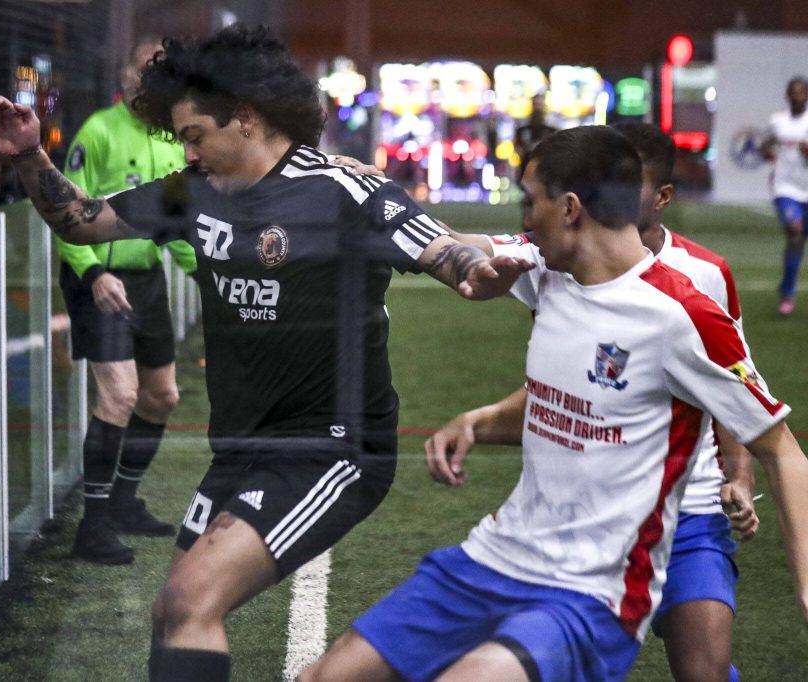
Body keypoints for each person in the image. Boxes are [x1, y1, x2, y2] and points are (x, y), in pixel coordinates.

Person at [0, 24, 531, 682]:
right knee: (171, 612)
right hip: (240, 450)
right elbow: (84, 219)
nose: (186, 150)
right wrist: (29, 157)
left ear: (242, 118)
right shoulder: (193, 191)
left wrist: (476, 270)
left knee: (189, 601)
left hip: (331, 447)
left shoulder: (342, 190)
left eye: (192, 134)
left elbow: (439, 248)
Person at [300, 125, 808, 682]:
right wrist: (371, 192)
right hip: (495, 555)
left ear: (569, 209)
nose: (522, 220)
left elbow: (781, 448)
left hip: (592, 592)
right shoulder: (544, 270)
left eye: (528, 200)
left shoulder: (682, 314)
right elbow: (446, 242)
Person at [420, 121, 759, 681]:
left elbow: (735, 390)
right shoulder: (556, 261)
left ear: (661, 196)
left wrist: (739, 477)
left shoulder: (704, 279)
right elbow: (470, 244)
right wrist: (384, 203)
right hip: (590, 509)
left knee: (703, 670)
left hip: (691, 505)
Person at [57, 35, 197, 565]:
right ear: (125, 77)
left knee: (161, 398)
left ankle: (123, 501)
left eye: (164, 69)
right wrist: (92, 271)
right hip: (98, 280)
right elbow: (65, 212)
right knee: (119, 396)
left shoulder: (170, 142)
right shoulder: (97, 132)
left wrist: (213, 277)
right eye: (146, 68)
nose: (153, 77)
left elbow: (180, 231)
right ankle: (91, 529)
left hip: (145, 279)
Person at [760, 76, 808, 316]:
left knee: (797, 244)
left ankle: (786, 283)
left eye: (802, 91)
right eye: (794, 92)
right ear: (788, 96)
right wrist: (767, 151)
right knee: (795, 231)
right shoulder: (778, 121)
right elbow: (764, 145)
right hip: (785, 189)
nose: (798, 95)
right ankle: (788, 293)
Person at [513, 92, 556, 161]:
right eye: (535, 104)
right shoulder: (522, 129)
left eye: (539, 104)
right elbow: (517, 147)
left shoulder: (551, 129)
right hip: (526, 165)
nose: (537, 108)